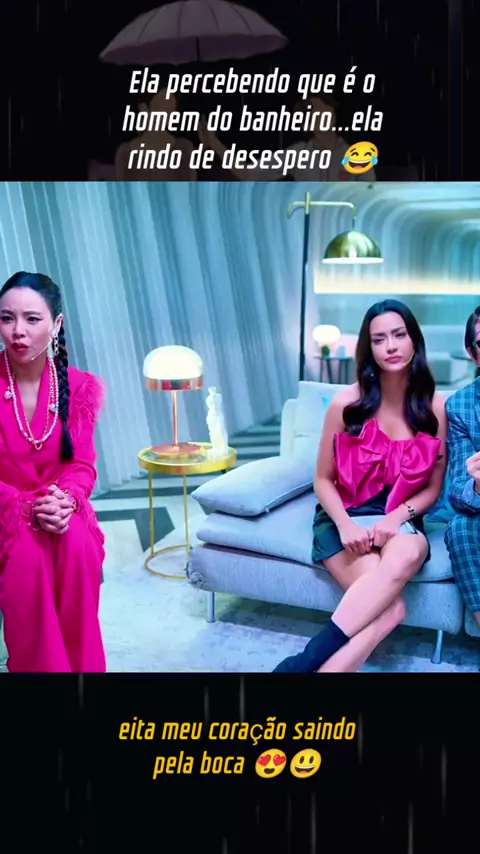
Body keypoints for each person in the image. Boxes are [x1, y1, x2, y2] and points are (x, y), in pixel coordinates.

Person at [273, 299, 447, 673]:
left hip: (399, 519)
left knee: (408, 550)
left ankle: (300, 666)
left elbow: (432, 489)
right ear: (369, 348)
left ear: (414, 340)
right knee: (392, 610)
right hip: (346, 518)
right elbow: (322, 479)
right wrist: (345, 525)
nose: (391, 346)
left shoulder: (434, 408)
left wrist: (395, 519)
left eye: (399, 335)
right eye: (379, 339)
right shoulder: (346, 404)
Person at [0, 271, 107, 673]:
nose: (18, 331)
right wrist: (23, 507)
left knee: (77, 543)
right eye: (7, 318)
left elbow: (81, 464)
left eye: (32, 319)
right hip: (5, 511)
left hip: (59, 505)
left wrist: (65, 500)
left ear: (56, 324)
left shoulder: (77, 387)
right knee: (26, 556)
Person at [198, 94, 376, 182]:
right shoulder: (297, 154)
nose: (321, 114)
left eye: (324, 108)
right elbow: (248, 173)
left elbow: (371, 196)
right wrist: (214, 143)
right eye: (313, 112)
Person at [444, 305, 480, 629]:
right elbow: (457, 492)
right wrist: (478, 485)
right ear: (473, 353)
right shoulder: (461, 406)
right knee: (460, 528)